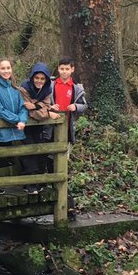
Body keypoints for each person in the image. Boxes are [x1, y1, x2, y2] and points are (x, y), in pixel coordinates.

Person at [53, 56, 88, 218]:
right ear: (58, 69)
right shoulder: (52, 85)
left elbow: (84, 105)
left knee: (63, 166)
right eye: (62, 69)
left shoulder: (76, 87)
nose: (64, 71)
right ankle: (57, 198)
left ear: (72, 69)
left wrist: (76, 106)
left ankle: (67, 204)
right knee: (50, 163)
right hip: (51, 131)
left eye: (67, 69)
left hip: (67, 131)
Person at [0, 59, 29, 188]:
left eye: (8, 68)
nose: (6, 71)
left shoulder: (15, 88)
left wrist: (22, 119)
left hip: (17, 129)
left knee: (7, 157)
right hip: (3, 128)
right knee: (5, 158)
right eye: (2, 68)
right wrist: (17, 119)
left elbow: (23, 107)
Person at [19, 61, 61, 185]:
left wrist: (37, 106)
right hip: (24, 125)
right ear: (32, 78)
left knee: (39, 150)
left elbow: (45, 105)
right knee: (29, 150)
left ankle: (37, 182)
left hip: (38, 126)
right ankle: (29, 183)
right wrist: (46, 111)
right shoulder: (24, 88)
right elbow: (27, 109)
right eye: (36, 78)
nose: (39, 81)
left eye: (42, 78)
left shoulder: (48, 89)